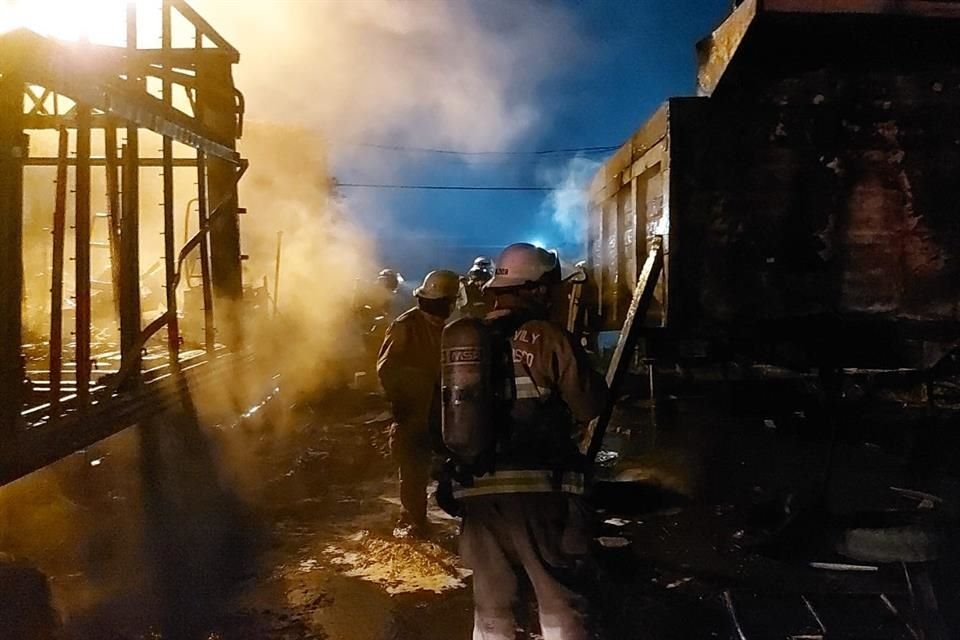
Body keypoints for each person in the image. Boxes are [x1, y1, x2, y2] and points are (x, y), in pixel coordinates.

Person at [452, 243, 608, 640]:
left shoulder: (465, 342)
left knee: (491, 609)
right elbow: (589, 405)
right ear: (537, 289)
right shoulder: (547, 336)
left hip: (477, 490)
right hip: (539, 491)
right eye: (550, 289)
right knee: (559, 603)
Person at [377, 269, 461, 537]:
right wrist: (408, 394)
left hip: (445, 410)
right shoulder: (405, 326)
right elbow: (386, 369)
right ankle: (414, 520)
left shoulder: (452, 328)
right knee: (413, 468)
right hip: (415, 412)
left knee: (451, 466)